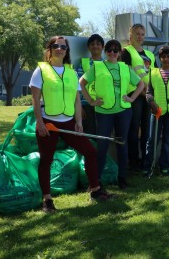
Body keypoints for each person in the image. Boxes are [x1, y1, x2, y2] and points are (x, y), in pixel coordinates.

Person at [30, 36, 113, 212]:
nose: (59, 49)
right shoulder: (41, 70)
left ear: (67, 50)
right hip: (48, 122)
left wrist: (78, 122)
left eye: (63, 46)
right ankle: (47, 200)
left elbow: (76, 100)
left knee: (90, 151)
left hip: (68, 122)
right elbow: (35, 100)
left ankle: (95, 191)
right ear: (50, 49)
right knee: (46, 160)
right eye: (55, 46)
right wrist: (40, 122)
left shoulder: (70, 72)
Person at [79, 40, 144, 189]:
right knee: (102, 146)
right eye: (109, 50)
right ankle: (97, 181)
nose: (112, 53)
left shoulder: (125, 68)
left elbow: (140, 84)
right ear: (105, 51)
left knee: (122, 144)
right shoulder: (97, 67)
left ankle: (122, 178)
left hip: (123, 111)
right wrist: (90, 101)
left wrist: (132, 98)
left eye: (115, 50)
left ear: (119, 53)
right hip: (104, 112)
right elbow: (81, 82)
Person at [143, 46, 169, 176]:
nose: (166, 59)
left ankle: (164, 166)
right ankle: (148, 166)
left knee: (167, 141)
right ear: (160, 58)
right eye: (163, 57)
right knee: (151, 140)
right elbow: (148, 92)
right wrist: (151, 102)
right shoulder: (153, 72)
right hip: (157, 113)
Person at [120, 23, 156, 170]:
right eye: (137, 34)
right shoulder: (126, 51)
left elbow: (153, 75)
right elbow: (127, 74)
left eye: (142, 34)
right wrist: (142, 92)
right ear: (131, 36)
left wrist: (150, 94)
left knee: (147, 130)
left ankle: (146, 161)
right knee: (133, 129)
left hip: (148, 96)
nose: (140, 37)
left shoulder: (150, 55)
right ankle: (133, 161)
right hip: (134, 96)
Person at [75, 34, 104, 135]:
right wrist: (81, 107)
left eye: (98, 44)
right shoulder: (83, 63)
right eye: (92, 44)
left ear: (102, 47)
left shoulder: (107, 64)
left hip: (103, 105)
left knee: (102, 134)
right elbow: (77, 87)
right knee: (89, 135)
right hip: (87, 106)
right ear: (89, 47)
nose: (95, 46)